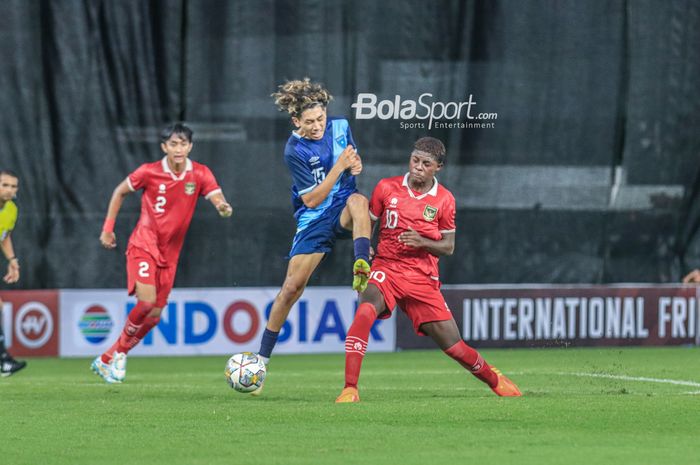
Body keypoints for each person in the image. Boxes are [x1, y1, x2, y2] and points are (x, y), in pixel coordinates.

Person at [336, 137, 522, 403]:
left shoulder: (445, 200)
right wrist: (366, 248)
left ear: (438, 168)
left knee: (455, 347)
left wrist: (421, 241)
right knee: (365, 309)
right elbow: (369, 222)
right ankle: (350, 388)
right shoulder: (386, 188)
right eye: (415, 160)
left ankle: (494, 380)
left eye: (426, 163)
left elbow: (448, 247)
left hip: (422, 278)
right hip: (386, 267)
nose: (418, 167)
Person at [252, 78, 371, 395]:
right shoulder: (295, 149)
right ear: (296, 121)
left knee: (361, 202)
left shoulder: (341, 127)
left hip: (343, 205)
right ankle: (261, 362)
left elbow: (352, 165)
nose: (317, 126)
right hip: (314, 218)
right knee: (291, 289)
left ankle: (362, 264)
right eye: (309, 122)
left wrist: (355, 165)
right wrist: (341, 167)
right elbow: (312, 200)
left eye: (321, 119)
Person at [92, 123, 232, 384]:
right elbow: (119, 192)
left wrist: (222, 206)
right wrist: (108, 229)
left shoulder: (200, 173)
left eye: (183, 144)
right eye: (173, 144)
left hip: (171, 254)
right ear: (164, 147)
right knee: (145, 304)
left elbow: (216, 196)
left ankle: (109, 356)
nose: (178, 149)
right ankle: (119, 354)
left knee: (154, 317)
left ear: (190, 146)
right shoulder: (149, 172)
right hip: (144, 244)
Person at [0, 170, 26, 377]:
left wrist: (12, 261)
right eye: (4, 185)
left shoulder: (11, 209)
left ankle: (3, 361)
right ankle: (4, 361)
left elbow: (4, 235)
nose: (9, 190)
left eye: (13, 186)